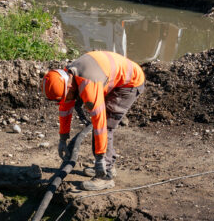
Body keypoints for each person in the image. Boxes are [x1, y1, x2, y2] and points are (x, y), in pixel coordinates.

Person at [42, 51, 145, 191]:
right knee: (100, 125)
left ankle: (105, 176)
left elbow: (100, 124)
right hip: (111, 76)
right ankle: (107, 166)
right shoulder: (65, 78)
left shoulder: (89, 84)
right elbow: (65, 108)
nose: (66, 100)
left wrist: (100, 158)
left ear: (69, 86)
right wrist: (63, 138)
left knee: (106, 125)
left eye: (65, 97)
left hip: (129, 83)